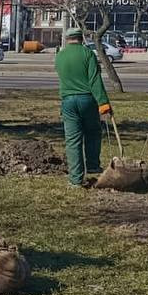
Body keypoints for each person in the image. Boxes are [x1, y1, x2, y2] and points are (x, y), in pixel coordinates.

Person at [54, 26, 112, 186]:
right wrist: (103, 103)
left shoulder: (60, 56)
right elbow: (94, 80)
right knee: (93, 132)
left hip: (67, 101)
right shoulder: (88, 54)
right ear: (81, 38)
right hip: (87, 99)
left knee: (73, 140)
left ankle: (75, 179)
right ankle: (93, 165)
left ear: (67, 39)